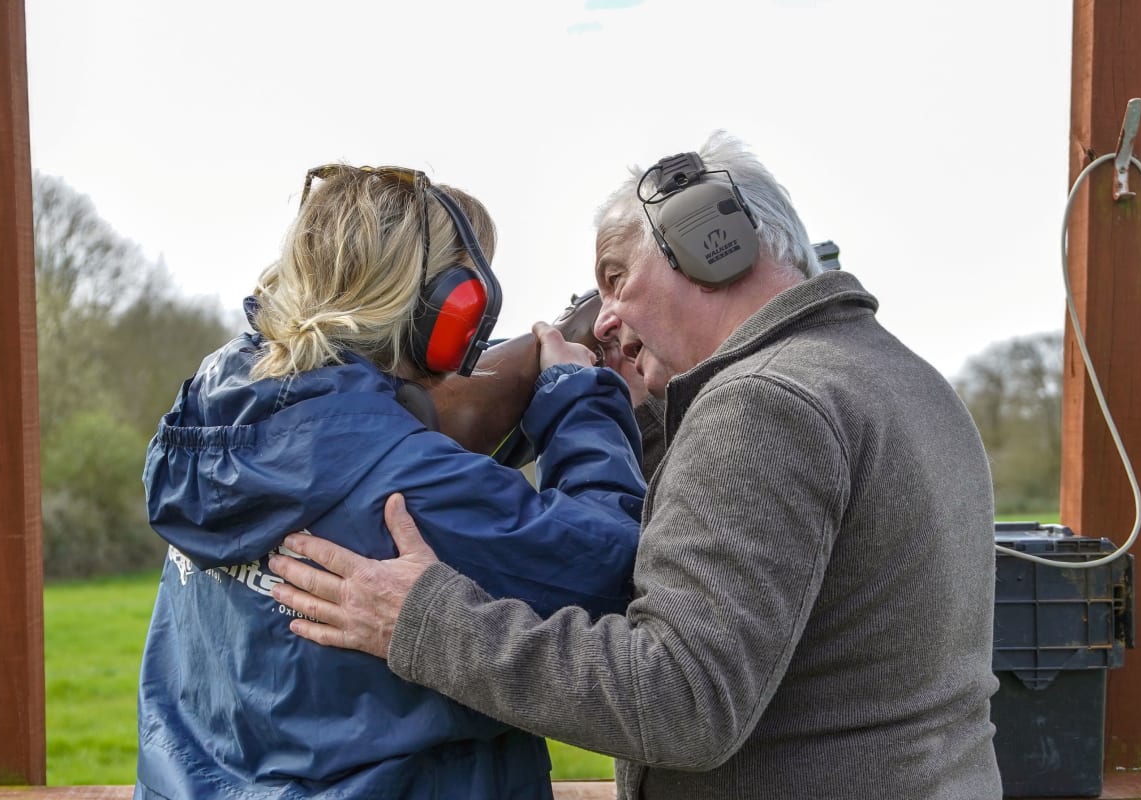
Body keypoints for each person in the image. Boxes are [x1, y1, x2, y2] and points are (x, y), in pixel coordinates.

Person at [268, 131, 1003, 800]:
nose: (609, 318)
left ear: (712, 244)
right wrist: (636, 409)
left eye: (617, 278)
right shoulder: (896, 378)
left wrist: (423, 621)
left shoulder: (763, 405)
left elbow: (680, 702)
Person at [134, 163, 648, 799]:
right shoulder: (413, 483)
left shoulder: (207, 431)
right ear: (450, 310)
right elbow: (615, 567)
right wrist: (578, 399)